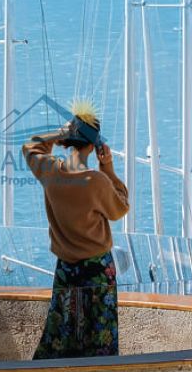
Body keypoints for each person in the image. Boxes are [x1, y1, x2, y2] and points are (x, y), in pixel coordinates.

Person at [22, 103, 129, 358]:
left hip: (66, 269)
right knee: (100, 335)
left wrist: (59, 133)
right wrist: (108, 169)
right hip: (98, 269)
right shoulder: (96, 181)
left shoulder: (51, 172)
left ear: (68, 141)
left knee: (62, 333)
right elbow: (120, 208)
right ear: (94, 146)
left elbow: (30, 146)